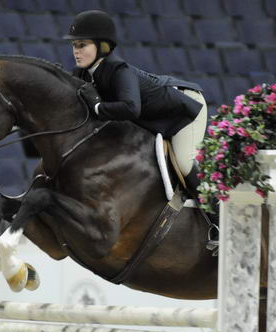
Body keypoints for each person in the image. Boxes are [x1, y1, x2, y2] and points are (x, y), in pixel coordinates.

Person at [63, 10, 207, 200]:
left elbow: (131, 108)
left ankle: (215, 214)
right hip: (156, 112)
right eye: (74, 45)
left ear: (103, 46)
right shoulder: (81, 73)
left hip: (185, 109)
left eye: (82, 45)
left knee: (183, 161)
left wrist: (98, 107)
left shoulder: (119, 70)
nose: (76, 51)